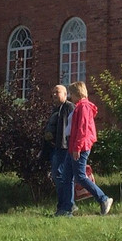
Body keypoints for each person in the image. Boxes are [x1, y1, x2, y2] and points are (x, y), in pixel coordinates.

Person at [67, 81, 114, 215]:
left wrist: (77, 148)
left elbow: (82, 130)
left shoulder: (83, 107)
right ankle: (67, 206)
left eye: (71, 93)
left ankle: (103, 199)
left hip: (80, 147)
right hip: (75, 146)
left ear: (77, 93)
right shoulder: (80, 107)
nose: (71, 97)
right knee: (68, 176)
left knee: (81, 176)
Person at [43, 84, 75, 217]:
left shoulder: (69, 107)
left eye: (57, 92)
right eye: (53, 93)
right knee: (58, 176)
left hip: (64, 147)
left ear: (65, 94)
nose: (54, 95)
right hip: (55, 147)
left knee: (62, 176)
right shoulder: (56, 109)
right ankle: (63, 206)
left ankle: (67, 206)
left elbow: (72, 128)